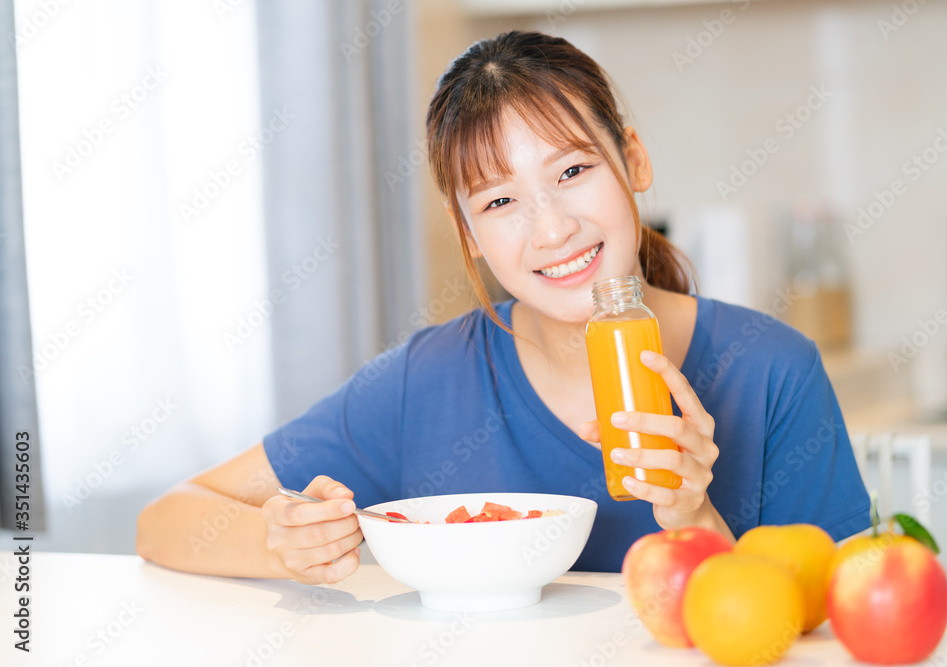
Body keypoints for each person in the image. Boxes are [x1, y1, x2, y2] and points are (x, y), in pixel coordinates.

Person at [136, 30, 870, 585]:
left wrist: (691, 517)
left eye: (574, 170)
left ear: (634, 160)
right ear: (471, 235)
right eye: (501, 201)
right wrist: (282, 540)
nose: (552, 229)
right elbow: (167, 517)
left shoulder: (773, 373)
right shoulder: (422, 384)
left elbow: (837, 624)